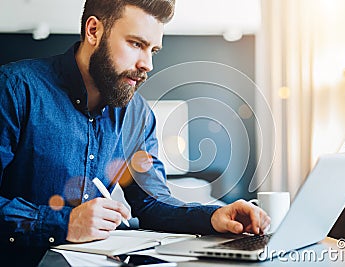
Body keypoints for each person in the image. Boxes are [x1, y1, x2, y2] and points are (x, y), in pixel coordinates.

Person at [0, 0, 270, 264]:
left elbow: (151, 203)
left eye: (153, 50)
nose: (147, 64)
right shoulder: (14, 89)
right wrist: (63, 223)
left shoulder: (138, 115)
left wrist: (213, 216)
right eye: (136, 44)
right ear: (93, 31)